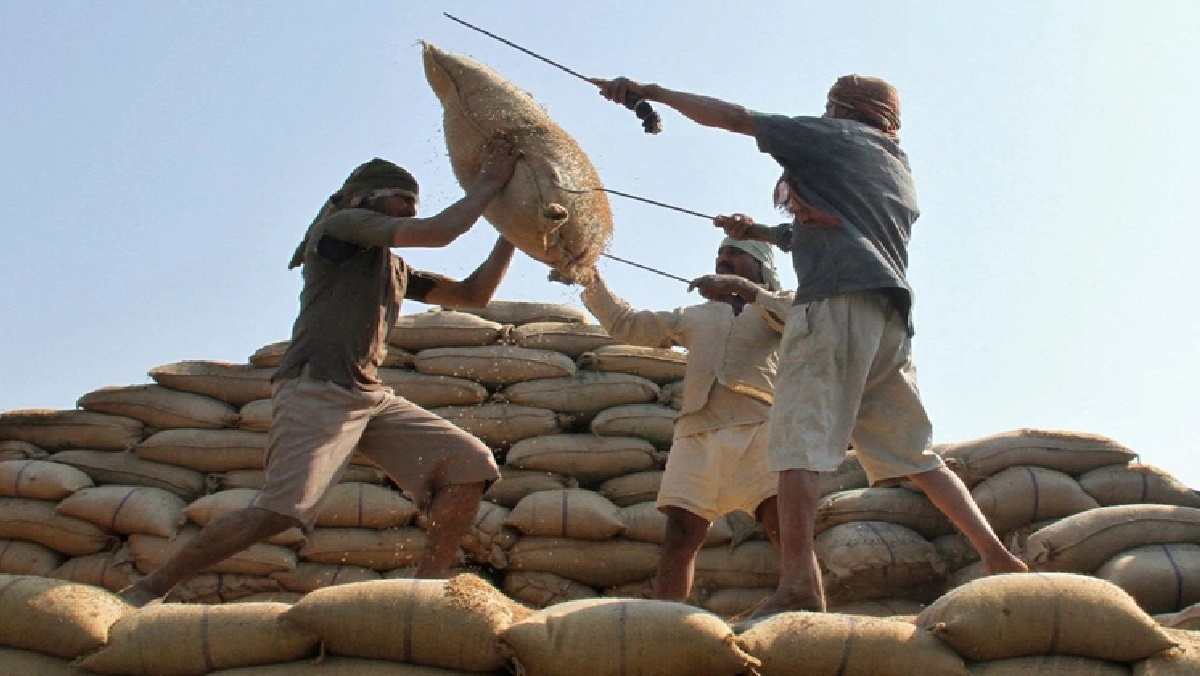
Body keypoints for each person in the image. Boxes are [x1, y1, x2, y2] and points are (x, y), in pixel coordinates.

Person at [591, 75, 1027, 616]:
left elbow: (733, 115)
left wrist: (652, 92)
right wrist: (762, 230)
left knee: (797, 444)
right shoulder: (893, 163)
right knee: (916, 453)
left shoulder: (833, 138)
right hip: (887, 317)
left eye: (830, 106)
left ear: (842, 109)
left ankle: (799, 584)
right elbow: (825, 231)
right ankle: (998, 557)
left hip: (834, 307)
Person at [119, 138, 522, 606]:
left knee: (469, 466)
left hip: (369, 396)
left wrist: (512, 231)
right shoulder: (341, 230)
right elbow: (439, 232)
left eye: (415, 201)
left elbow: (472, 295)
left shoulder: (393, 267)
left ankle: (424, 593)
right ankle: (148, 588)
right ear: (361, 200)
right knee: (280, 511)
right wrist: (492, 183)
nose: (410, 210)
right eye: (401, 200)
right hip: (317, 387)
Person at [575, 238, 800, 603]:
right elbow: (628, 325)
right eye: (720, 255)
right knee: (681, 532)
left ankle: (807, 603)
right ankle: (667, 619)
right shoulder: (695, 315)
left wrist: (745, 290)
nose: (723, 260)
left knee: (782, 526)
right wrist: (589, 278)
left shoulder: (779, 307)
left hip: (759, 428)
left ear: (761, 266)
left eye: (735, 254)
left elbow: (804, 322)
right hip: (697, 430)